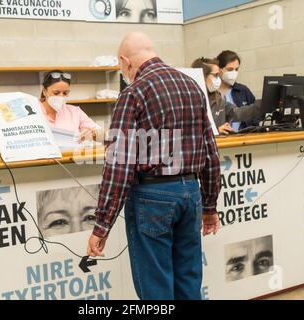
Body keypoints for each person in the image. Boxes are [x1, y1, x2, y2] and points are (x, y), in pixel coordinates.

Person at [86, 32, 221, 300]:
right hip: (190, 193)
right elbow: (210, 152)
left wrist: (102, 225)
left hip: (152, 197)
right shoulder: (192, 87)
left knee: (156, 288)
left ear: (125, 61)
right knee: (189, 279)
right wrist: (209, 207)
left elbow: (119, 165)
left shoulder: (133, 93)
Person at [191, 57, 262, 135]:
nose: (219, 79)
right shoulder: (189, 100)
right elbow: (183, 131)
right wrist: (216, 131)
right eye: (215, 75)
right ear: (202, 76)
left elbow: (236, 113)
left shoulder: (217, 98)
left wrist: (262, 104)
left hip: (220, 145)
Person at [40, 70, 103, 142]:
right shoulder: (33, 110)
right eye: (56, 93)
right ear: (44, 91)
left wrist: (93, 133)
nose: (61, 96)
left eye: (65, 93)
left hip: (70, 152)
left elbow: (102, 134)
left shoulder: (74, 112)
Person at [217, 50, 257, 131]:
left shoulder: (243, 90)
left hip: (243, 138)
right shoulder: (211, 94)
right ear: (219, 70)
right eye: (230, 69)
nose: (234, 73)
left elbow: (255, 116)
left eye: (236, 69)